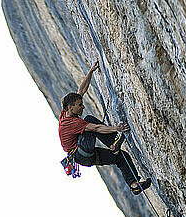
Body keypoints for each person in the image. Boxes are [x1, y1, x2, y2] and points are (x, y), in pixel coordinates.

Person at [58, 61, 151, 195]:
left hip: (84, 157)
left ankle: (134, 184)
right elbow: (95, 129)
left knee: (121, 157)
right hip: (81, 151)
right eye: (79, 105)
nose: (82, 106)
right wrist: (117, 129)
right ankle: (114, 142)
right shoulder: (71, 123)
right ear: (70, 107)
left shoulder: (66, 112)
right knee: (89, 120)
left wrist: (90, 71)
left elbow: (81, 90)